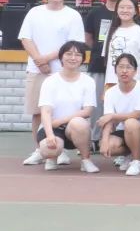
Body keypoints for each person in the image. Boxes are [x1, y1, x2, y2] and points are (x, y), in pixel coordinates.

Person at [33, 41, 98, 173]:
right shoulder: (50, 81)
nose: (73, 58)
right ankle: (52, 158)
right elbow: (45, 111)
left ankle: (86, 160)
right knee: (48, 149)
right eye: (69, 54)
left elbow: (87, 111)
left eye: (78, 55)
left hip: (74, 129)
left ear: (83, 59)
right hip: (52, 128)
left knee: (78, 123)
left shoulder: (88, 81)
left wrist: (60, 121)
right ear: (61, 57)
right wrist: (50, 135)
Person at [99, 53, 140, 176]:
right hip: (124, 132)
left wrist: (112, 116)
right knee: (108, 145)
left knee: (130, 123)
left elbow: (137, 115)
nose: (124, 71)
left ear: (135, 71)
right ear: (115, 70)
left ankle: (137, 162)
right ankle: (129, 155)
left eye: (128, 67)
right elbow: (107, 120)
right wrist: (104, 141)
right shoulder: (110, 92)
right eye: (121, 67)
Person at [84, 0, 125, 135]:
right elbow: (88, 38)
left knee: (119, 103)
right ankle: (95, 137)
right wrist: (100, 50)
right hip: (98, 65)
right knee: (96, 102)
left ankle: (116, 137)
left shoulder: (126, 13)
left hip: (121, 67)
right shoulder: (95, 13)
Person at [103, 0, 140, 86]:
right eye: (122, 7)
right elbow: (107, 57)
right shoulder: (111, 30)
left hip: (134, 82)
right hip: (112, 81)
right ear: (117, 10)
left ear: (135, 11)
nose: (125, 10)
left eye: (129, 8)